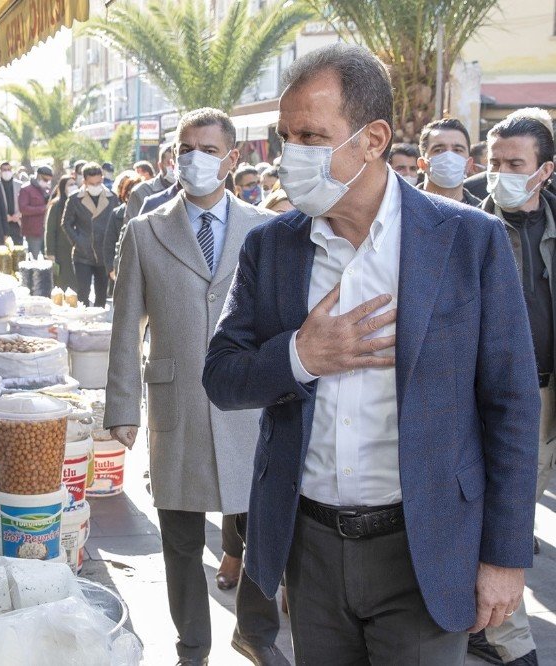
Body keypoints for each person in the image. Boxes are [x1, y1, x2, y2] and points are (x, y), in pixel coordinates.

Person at [202, 43, 539, 665]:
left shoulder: (470, 242)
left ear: (374, 138)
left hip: (425, 546)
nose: (289, 155)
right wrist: (301, 355)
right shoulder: (272, 247)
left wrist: (504, 556)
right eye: (285, 136)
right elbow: (222, 375)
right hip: (310, 547)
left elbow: (511, 404)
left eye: (311, 135)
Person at [106, 108, 284, 666]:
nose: (194, 159)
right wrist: (121, 408)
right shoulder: (145, 230)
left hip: (251, 404)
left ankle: (256, 633)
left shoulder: (267, 228)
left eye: (208, 149)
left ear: (233, 160)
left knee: (260, 528)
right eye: (186, 148)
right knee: (180, 537)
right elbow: (125, 324)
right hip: (176, 399)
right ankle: (192, 647)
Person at [471, 107, 556, 666]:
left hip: (552, 397)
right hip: (498, 405)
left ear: (544, 171)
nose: (500, 172)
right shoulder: (463, 228)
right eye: (494, 161)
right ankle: (511, 641)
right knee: (507, 521)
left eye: (514, 163)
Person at [62, 162, 115, 308]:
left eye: (98, 182)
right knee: (83, 294)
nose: (96, 186)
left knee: (101, 296)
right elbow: (66, 223)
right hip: (82, 255)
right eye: (92, 183)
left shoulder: (112, 198)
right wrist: (78, 242)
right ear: (84, 181)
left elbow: (116, 225)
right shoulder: (74, 199)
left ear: (102, 179)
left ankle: (97, 328)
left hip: (104, 255)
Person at [417, 118, 481, 206]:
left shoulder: (484, 212)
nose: (449, 156)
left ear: (468, 164)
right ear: (422, 164)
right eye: (439, 150)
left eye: (457, 150)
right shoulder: (401, 207)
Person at [102, 169, 144, 281]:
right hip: (122, 268)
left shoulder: (149, 211)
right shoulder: (116, 214)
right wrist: (111, 269)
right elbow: (109, 243)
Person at [126, 144, 176, 221]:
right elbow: (130, 228)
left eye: (175, 162)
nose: (173, 167)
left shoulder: (190, 190)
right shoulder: (141, 191)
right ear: (160, 165)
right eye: (168, 163)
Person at [45, 175, 77, 291]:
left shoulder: (78, 203)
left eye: (74, 184)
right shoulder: (56, 205)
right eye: (70, 185)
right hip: (61, 250)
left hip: (76, 248)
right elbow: (50, 230)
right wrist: (50, 252)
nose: (73, 187)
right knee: (62, 280)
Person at [17, 165, 53, 257]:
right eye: (45, 180)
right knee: (34, 259)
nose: (47, 182)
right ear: (39, 176)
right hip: (33, 231)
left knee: (48, 258)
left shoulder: (47, 189)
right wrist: (43, 208)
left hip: (46, 230)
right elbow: (23, 209)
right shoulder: (26, 189)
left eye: (48, 180)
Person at [0, 161, 23, 244]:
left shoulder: (19, 185)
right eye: (4, 170)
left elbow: (24, 203)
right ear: (0, 171)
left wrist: (19, 214)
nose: (6, 172)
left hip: (17, 223)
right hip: (2, 224)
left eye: (8, 169)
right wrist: (3, 216)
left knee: (18, 250)